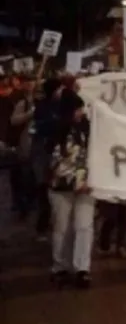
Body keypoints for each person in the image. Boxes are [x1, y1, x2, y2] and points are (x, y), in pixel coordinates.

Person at [48, 90, 95, 290]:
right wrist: (75, 181)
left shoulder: (89, 129)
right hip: (61, 187)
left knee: (84, 227)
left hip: (86, 186)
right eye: (77, 108)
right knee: (62, 227)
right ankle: (60, 266)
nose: (81, 112)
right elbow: (54, 161)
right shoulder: (54, 131)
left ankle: (82, 268)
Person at [30, 78, 65, 240]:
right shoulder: (42, 107)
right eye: (59, 89)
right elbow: (40, 127)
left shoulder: (62, 105)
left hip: (55, 153)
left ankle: (53, 223)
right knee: (45, 190)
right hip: (44, 154)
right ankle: (42, 227)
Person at [10, 77, 36, 221]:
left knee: (34, 178)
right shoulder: (23, 103)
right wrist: (30, 113)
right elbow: (14, 120)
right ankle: (23, 207)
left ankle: (31, 204)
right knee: (24, 178)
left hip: (40, 147)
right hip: (25, 146)